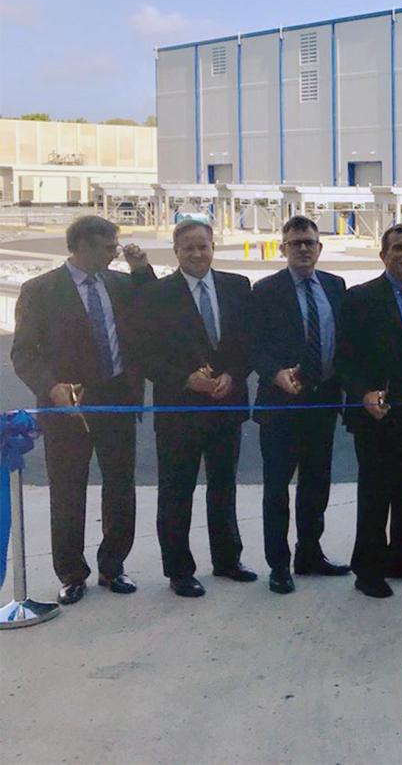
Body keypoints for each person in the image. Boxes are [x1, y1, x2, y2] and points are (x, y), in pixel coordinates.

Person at [12, 216, 153, 606]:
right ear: (85, 246)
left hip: (117, 398)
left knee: (120, 485)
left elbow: (154, 307)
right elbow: (23, 352)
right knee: (67, 490)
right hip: (67, 405)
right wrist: (50, 386)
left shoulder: (120, 284)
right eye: (109, 247)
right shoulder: (40, 291)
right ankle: (72, 574)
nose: (115, 253)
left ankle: (113, 566)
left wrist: (142, 271)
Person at [137, 219, 255, 598]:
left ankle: (227, 559)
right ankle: (179, 570)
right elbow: (145, 355)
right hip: (179, 410)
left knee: (223, 487)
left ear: (213, 247)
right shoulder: (157, 295)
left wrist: (234, 375)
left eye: (203, 246)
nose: (197, 253)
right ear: (176, 252)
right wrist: (185, 380)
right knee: (176, 492)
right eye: (188, 247)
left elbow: (247, 342)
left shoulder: (237, 287)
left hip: (226, 405)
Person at [335, 223, 402, 599]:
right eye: (398, 248)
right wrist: (363, 394)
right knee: (376, 494)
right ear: (383, 255)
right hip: (376, 416)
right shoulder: (360, 298)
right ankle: (368, 569)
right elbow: (344, 358)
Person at [249, 215, 349, 595]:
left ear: (319, 247)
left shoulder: (335, 286)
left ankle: (310, 553)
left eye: (309, 242)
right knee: (277, 489)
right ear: (283, 248)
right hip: (281, 405)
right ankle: (279, 565)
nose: (303, 249)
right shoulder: (266, 290)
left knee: (315, 484)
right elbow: (253, 345)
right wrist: (275, 373)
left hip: (322, 403)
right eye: (296, 243)